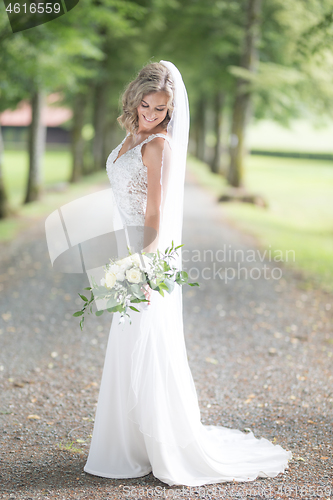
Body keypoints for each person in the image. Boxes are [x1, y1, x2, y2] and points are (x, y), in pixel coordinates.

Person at [83, 60, 292, 487]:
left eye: (161, 110)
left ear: (170, 112)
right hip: (125, 246)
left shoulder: (158, 145)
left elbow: (156, 211)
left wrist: (143, 263)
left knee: (146, 341)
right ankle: (130, 443)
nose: (152, 115)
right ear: (135, 98)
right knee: (126, 342)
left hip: (145, 253)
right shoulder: (129, 137)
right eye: (146, 105)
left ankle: (160, 446)